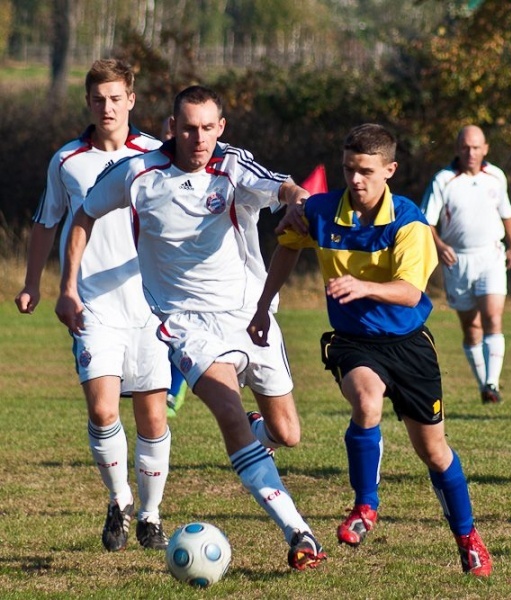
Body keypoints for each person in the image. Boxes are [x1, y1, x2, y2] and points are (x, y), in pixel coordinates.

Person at [55, 85, 326, 570]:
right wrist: (68, 286)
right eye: (188, 128)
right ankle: (299, 532)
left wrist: (298, 201)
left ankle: (254, 432)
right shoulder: (138, 174)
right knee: (227, 412)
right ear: (171, 128)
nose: (199, 138)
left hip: (250, 316)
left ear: (220, 128)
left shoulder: (233, 167)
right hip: (185, 325)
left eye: (208, 128)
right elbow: (84, 214)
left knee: (287, 434)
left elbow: (282, 186)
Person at [247, 123, 492, 577]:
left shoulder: (408, 221)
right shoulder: (320, 211)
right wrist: (264, 306)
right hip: (354, 342)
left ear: (389, 171)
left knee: (435, 452)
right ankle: (365, 506)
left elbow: (410, 291)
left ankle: (467, 535)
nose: (355, 180)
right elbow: (287, 247)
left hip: (408, 345)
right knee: (366, 400)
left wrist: (361, 285)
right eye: (348, 169)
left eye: (365, 171)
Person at [14, 59, 172, 552]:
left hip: (150, 307)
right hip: (91, 305)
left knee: (152, 420)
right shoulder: (67, 161)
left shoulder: (156, 155)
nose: (107, 107)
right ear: (88, 103)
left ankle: (150, 514)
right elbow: (46, 223)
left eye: (115, 97)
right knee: (104, 411)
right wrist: (33, 284)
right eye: (98, 99)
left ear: (131, 100)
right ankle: (120, 500)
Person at [421, 125, 511, 404]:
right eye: (465, 147)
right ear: (457, 149)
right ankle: (484, 386)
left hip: (491, 256)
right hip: (458, 261)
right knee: (472, 328)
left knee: (493, 317)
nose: (471, 153)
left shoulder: (495, 176)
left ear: (485, 148)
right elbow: (427, 221)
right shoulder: (444, 180)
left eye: (476, 147)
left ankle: (492, 382)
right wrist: (439, 247)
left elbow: (507, 212)